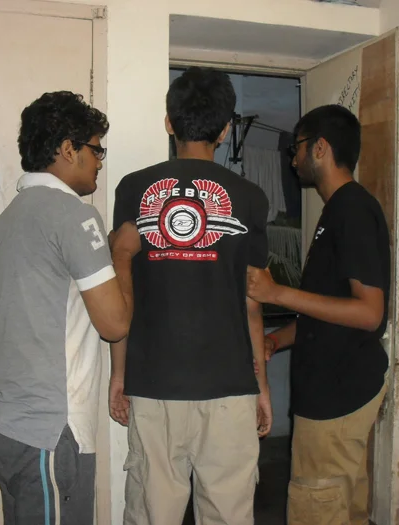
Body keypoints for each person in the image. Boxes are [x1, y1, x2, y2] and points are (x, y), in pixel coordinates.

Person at [110, 67, 273, 525]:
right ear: (225, 130)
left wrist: (119, 374)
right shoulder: (250, 197)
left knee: (152, 513)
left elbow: (124, 289)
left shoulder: (132, 189)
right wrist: (261, 386)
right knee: (228, 514)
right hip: (230, 387)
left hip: (154, 382)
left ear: (169, 122)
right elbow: (253, 300)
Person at [0, 91, 139, 525]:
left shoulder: (7, 221)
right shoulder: (73, 215)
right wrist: (122, 254)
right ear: (68, 150)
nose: (99, 161)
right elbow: (115, 324)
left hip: (8, 429)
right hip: (49, 432)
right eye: (96, 149)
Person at [247, 104, 390, 525]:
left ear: (321, 148)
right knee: (344, 506)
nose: (293, 159)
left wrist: (277, 292)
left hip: (336, 395)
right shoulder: (336, 210)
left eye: (297, 147)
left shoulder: (352, 210)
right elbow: (329, 308)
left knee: (317, 507)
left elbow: (368, 313)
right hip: (335, 388)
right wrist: (278, 339)